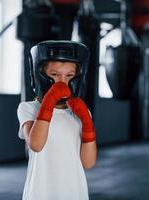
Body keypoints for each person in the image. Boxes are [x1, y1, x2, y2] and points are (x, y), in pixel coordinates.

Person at [17, 40, 97, 200]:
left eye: (69, 76)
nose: (62, 82)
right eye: (54, 75)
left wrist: (87, 123)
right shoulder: (28, 108)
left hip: (75, 193)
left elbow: (88, 163)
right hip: (40, 193)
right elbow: (36, 144)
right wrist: (49, 100)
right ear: (39, 75)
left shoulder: (80, 112)